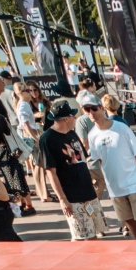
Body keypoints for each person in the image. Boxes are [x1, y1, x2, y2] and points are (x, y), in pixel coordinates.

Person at [39, 100, 108, 241]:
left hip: (88, 192)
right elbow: (50, 172)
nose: (75, 118)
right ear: (66, 119)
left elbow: (82, 160)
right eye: (72, 116)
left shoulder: (72, 133)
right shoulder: (47, 139)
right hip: (72, 196)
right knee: (80, 236)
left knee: (94, 234)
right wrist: (62, 199)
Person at [87, 99, 136, 239]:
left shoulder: (121, 128)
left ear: (101, 108)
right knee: (129, 221)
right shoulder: (92, 135)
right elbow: (100, 161)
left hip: (133, 184)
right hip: (115, 188)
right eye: (87, 110)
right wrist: (108, 185)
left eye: (94, 108)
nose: (91, 112)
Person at [0, 93, 34, 214]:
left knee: (17, 179)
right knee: (12, 180)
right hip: (1, 153)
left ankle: (29, 206)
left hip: (8, 152)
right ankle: (23, 205)